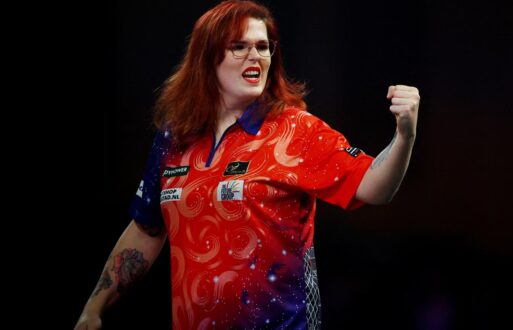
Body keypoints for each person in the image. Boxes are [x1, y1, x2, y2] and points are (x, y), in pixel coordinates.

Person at [74, 0, 420, 329]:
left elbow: (375, 188)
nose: (255, 56)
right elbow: (145, 230)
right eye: (238, 46)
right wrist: (94, 306)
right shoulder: (173, 140)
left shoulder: (295, 129)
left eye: (263, 46)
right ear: (207, 58)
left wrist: (404, 135)